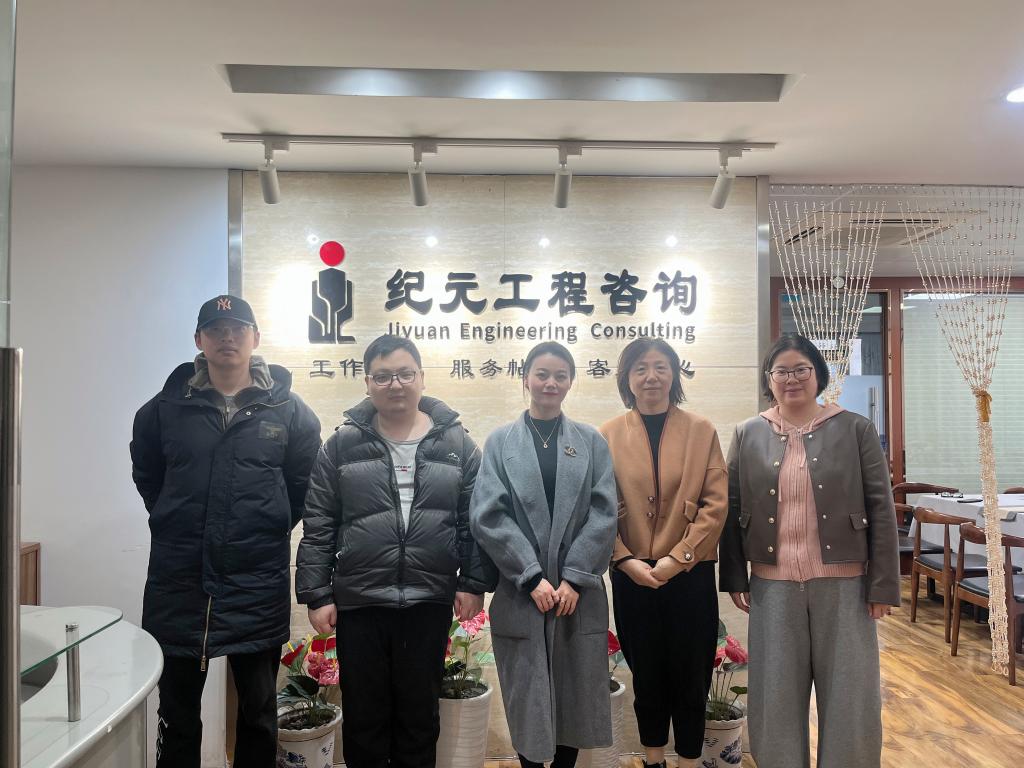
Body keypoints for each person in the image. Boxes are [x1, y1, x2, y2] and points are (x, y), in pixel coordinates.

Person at [130, 294, 322, 768]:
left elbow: (302, 486)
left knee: (258, 714)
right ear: (199, 340)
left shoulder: (290, 411)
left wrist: (265, 524)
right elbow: (149, 476)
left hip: (256, 581)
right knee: (177, 714)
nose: (227, 337)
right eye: (216, 330)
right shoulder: (163, 409)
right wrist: (178, 520)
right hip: (179, 582)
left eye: (238, 328)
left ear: (256, 338)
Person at [295, 334, 491, 768]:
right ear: (368, 383)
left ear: (421, 378)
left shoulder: (457, 444)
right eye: (383, 376)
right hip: (361, 602)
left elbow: (474, 520)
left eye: (404, 373)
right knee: (364, 718)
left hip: (428, 600)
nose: (395, 384)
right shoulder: (341, 444)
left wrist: (473, 583)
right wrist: (317, 594)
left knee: (419, 717)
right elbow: (319, 522)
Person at [719, 333, 900, 768]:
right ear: (769, 379)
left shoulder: (855, 428)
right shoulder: (748, 432)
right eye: (781, 371)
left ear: (818, 374)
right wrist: (735, 576)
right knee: (775, 694)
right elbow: (732, 507)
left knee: (851, 694)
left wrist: (882, 585)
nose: (792, 379)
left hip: (846, 586)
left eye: (801, 369)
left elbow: (881, 507)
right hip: (773, 585)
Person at [470, 341, 618, 768]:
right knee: (527, 701)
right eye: (542, 374)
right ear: (526, 379)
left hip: (576, 595)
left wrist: (575, 577)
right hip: (522, 594)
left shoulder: (591, 441)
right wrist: (532, 576)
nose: (550, 383)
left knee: (575, 700)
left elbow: (605, 512)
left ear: (570, 382)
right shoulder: (501, 442)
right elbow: (487, 514)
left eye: (560, 375)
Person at [599, 338, 727, 768]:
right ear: (627, 378)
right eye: (640, 368)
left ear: (674, 374)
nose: (651, 376)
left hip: (690, 575)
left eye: (660, 367)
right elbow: (597, 507)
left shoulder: (701, 430)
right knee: (647, 674)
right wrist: (623, 558)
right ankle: (653, 759)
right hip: (631, 574)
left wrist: (680, 558)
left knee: (692, 675)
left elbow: (715, 504)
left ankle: (688, 761)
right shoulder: (607, 434)